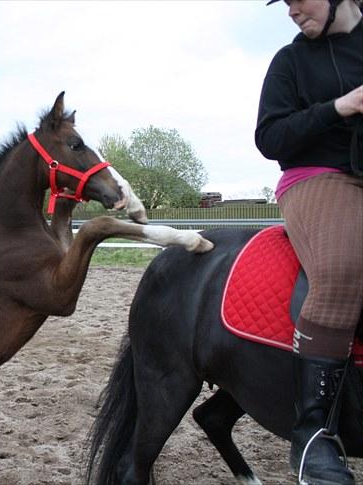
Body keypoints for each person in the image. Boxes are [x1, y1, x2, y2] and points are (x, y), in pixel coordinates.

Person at [255, 0, 363, 483]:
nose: (293, 10)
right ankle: (313, 435)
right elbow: (270, 138)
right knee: (342, 268)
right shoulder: (289, 62)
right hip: (315, 177)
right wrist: (341, 107)